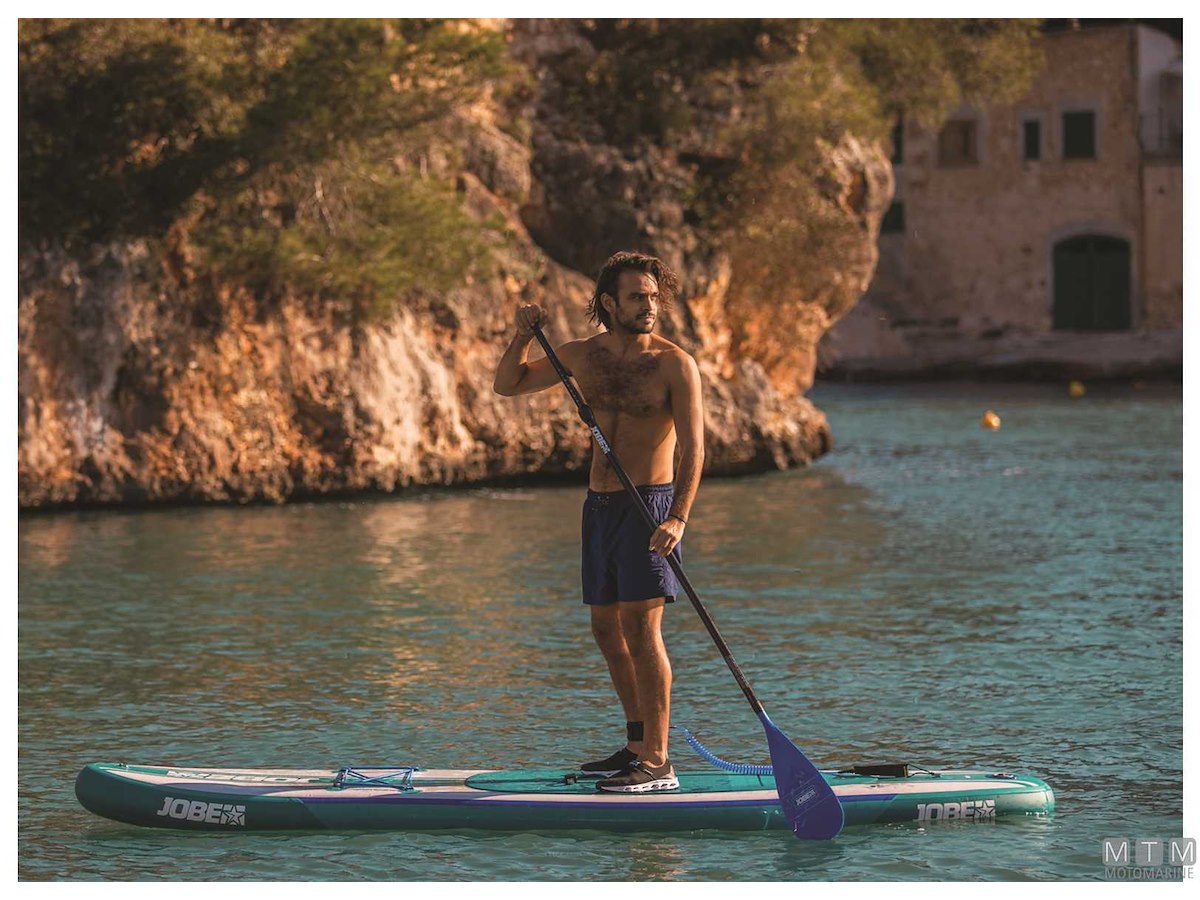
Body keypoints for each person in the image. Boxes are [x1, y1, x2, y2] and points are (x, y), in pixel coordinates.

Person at [492, 251, 704, 793]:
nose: (649, 306)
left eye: (654, 296)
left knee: (642, 629)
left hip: (649, 506)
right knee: (606, 629)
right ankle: (635, 744)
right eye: (637, 297)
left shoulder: (674, 364)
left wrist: (678, 517)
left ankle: (658, 762)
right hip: (600, 506)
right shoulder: (582, 356)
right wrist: (522, 335)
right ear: (610, 303)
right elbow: (508, 384)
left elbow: (695, 449)